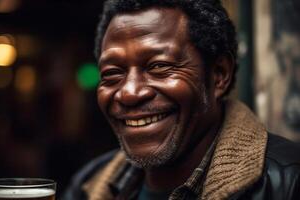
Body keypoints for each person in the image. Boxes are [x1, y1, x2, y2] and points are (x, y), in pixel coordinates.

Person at [62, 0, 300, 200]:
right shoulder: (87, 185)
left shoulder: (288, 184)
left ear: (219, 75)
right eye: (112, 73)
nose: (130, 93)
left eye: (159, 66)